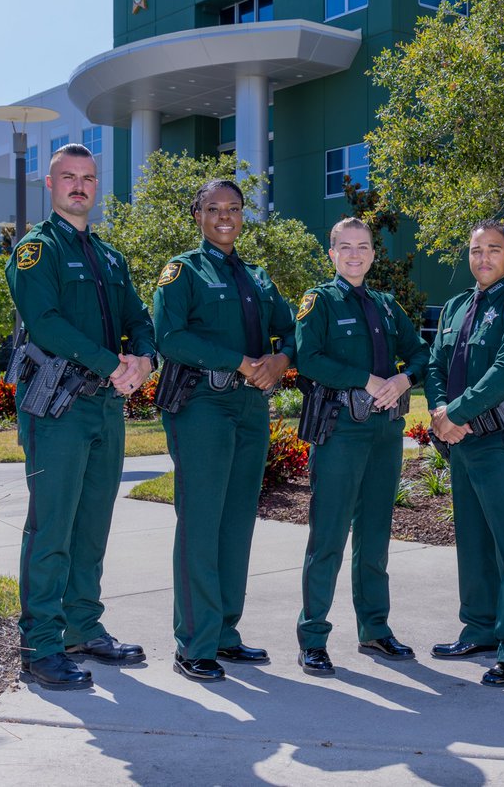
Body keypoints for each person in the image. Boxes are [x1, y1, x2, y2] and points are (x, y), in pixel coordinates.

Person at [5, 143, 157, 691]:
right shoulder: (34, 250)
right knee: (52, 527)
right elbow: (44, 323)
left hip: (106, 406)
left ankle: (82, 627)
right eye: (68, 177)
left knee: (92, 525)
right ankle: (39, 644)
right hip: (59, 408)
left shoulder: (111, 258)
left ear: (97, 185)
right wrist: (111, 362)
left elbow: (141, 319)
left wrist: (143, 359)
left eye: (88, 177)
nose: (79, 186)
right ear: (50, 185)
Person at [153, 179, 295, 682]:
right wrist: (239, 361)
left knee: (237, 522)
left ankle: (225, 633)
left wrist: (280, 360)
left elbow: (294, 326)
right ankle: (195, 641)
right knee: (201, 521)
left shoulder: (256, 276)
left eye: (233, 208)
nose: (225, 217)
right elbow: (169, 337)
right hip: (201, 405)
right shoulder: (182, 271)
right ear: (197, 215)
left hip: (250, 407)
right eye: (214, 209)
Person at [293, 217, 429, 676]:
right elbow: (307, 358)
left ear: (373, 253)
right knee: (328, 535)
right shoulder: (319, 301)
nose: (355, 254)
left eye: (363, 246)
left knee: (375, 536)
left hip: (385, 433)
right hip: (340, 432)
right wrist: (365, 379)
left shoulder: (388, 306)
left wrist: (403, 377)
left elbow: (420, 353)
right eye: (345, 247)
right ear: (331, 254)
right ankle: (312, 636)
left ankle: (375, 629)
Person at [425, 221, 504, 688]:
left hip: (503, 440)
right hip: (463, 442)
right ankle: (479, 628)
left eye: (493, 250)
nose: (483, 258)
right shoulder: (456, 307)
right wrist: (441, 411)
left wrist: (456, 411)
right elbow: (436, 363)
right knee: (473, 539)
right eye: (476, 251)